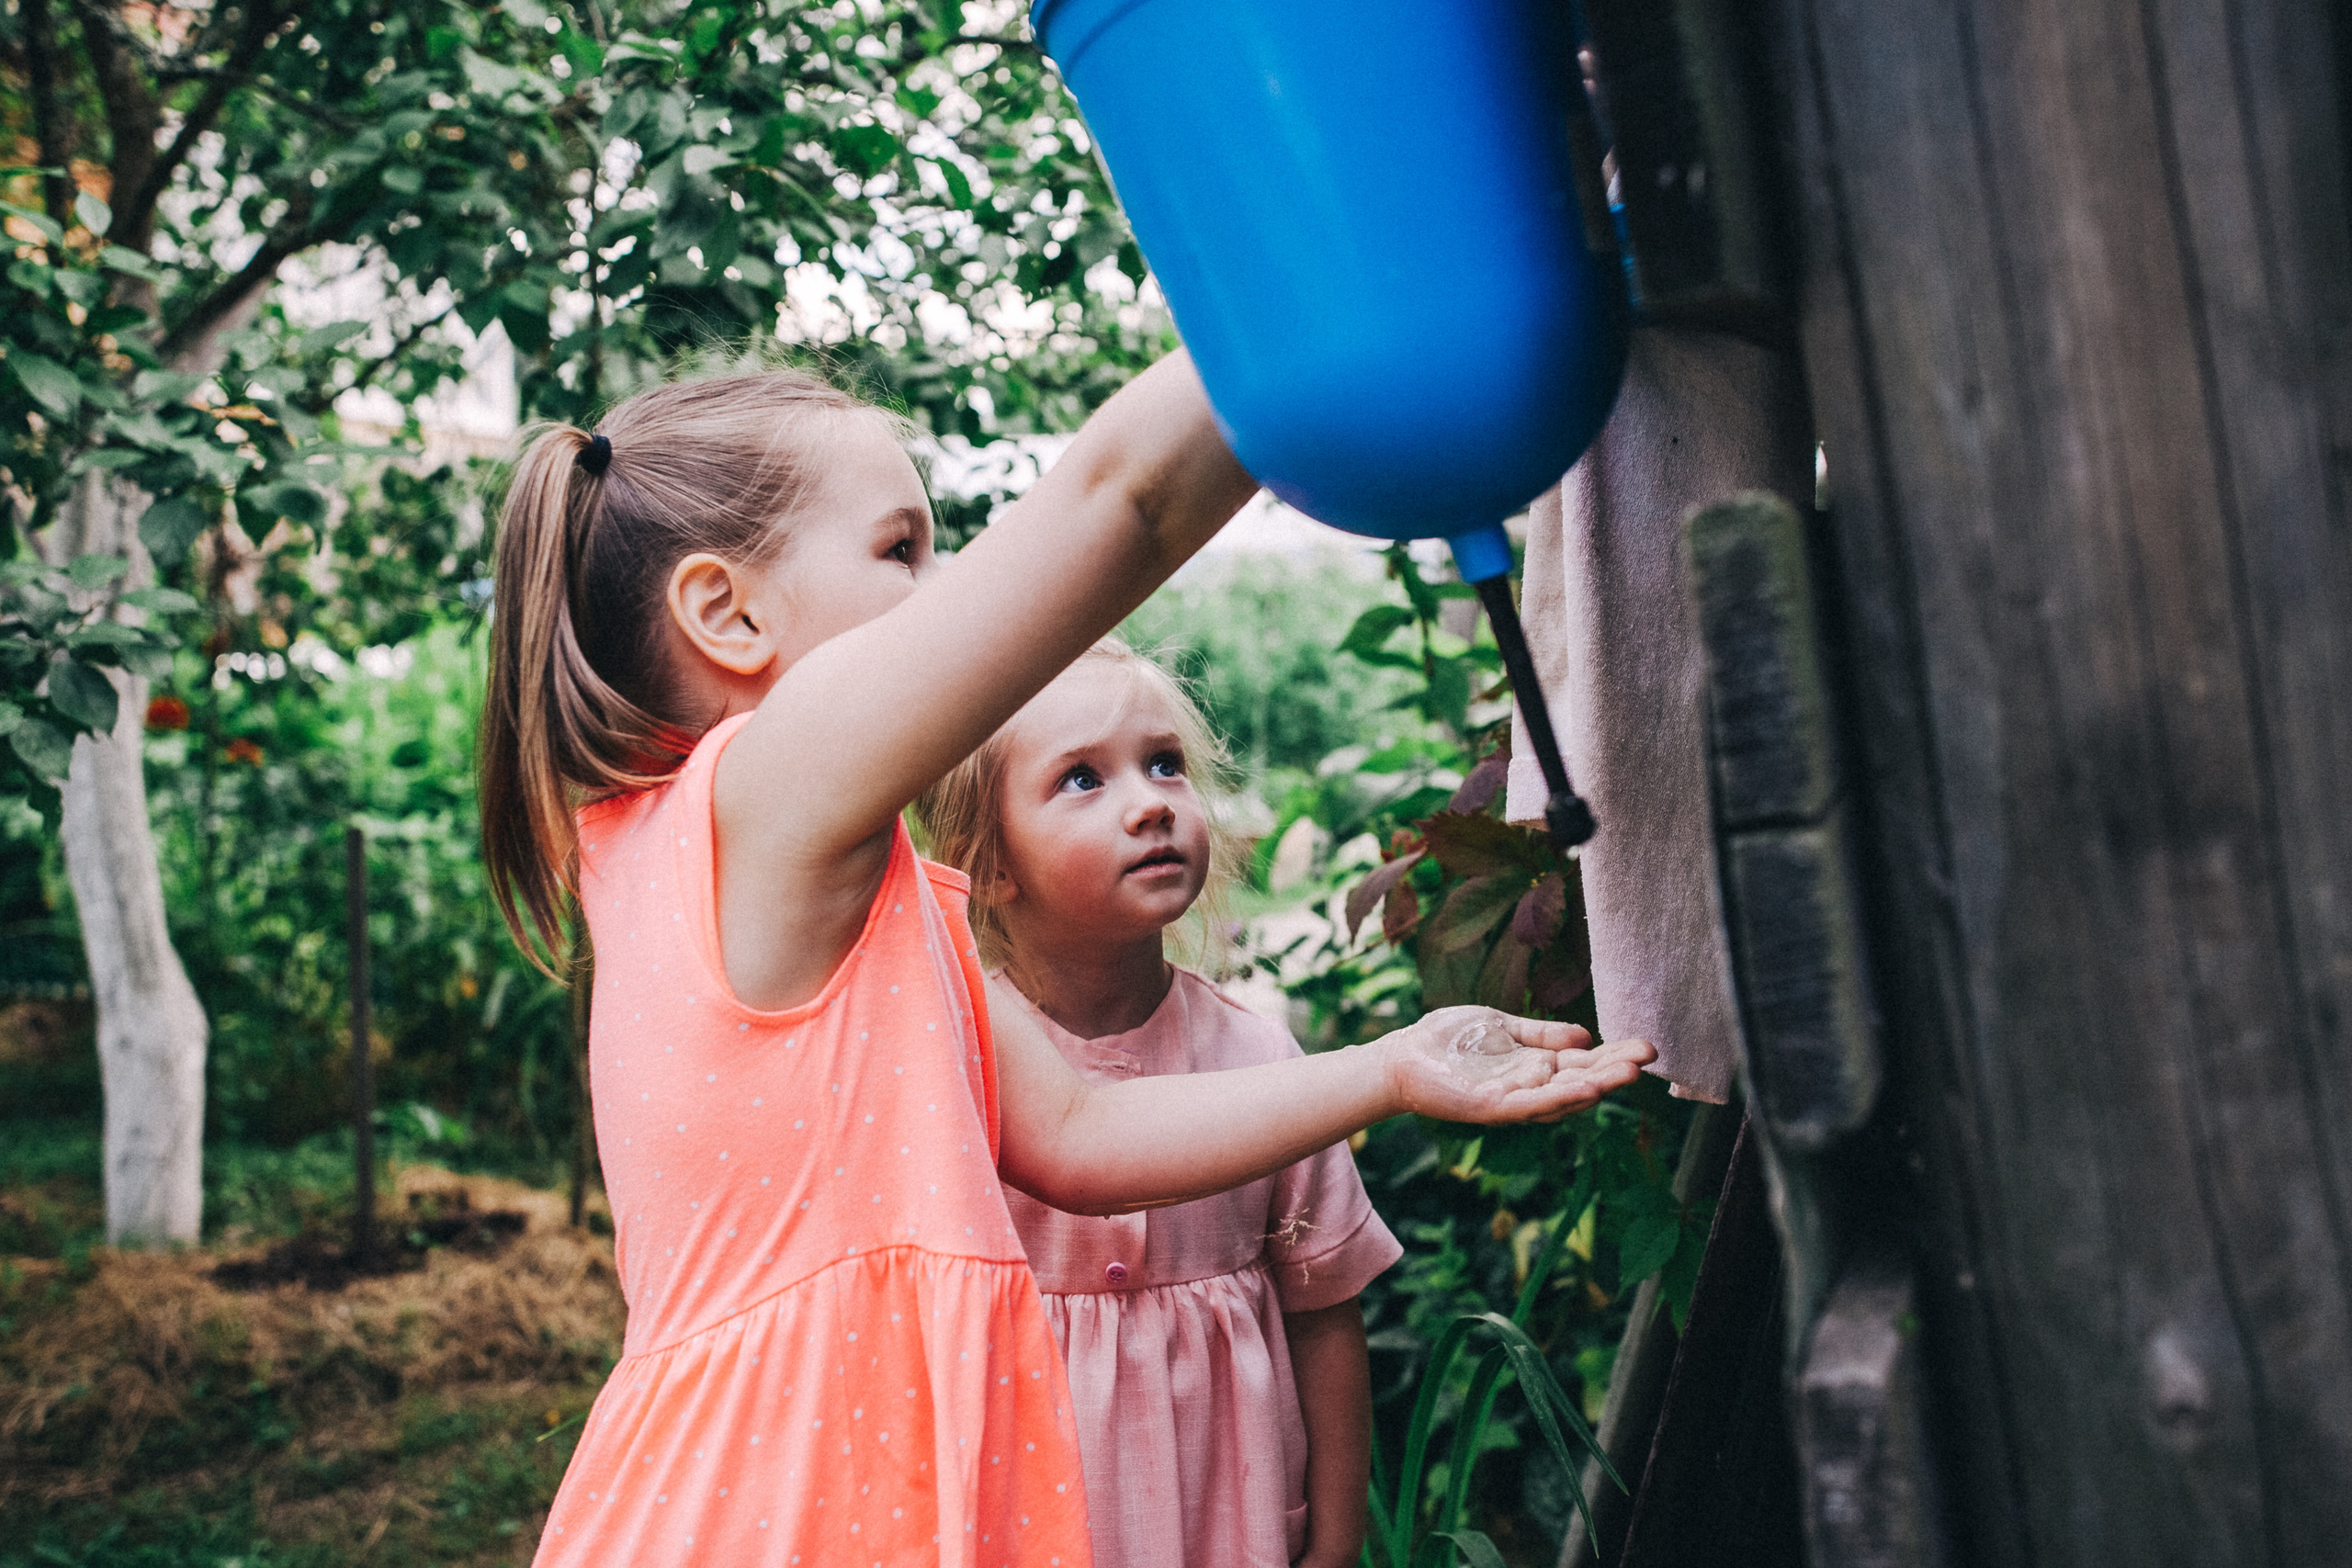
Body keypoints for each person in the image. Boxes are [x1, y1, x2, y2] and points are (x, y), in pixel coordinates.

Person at [478, 354, 1656, 1568]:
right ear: (728, 615)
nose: (944, 591)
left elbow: (1081, 1136)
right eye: (901, 550)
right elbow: (1126, 498)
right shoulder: (761, 801)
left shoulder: (754, 872)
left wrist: (1392, 1068)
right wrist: (1301, 298)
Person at [921, 637, 1400, 1568]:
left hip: (1230, 1520)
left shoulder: (1260, 1063)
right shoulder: (956, 1069)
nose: (1151, 803)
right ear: (991, 865)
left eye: (1166, 763)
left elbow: (1324, 1313)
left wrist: (1336, 1541)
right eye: (1082, 779)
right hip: (1026, 1522)